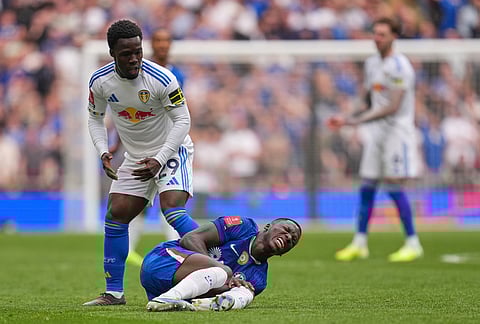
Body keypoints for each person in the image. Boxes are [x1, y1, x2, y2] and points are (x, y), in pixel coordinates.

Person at [83, 19, 198, 306]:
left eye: (138, 51)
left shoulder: (162, 78)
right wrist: (103, 151)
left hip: (171, 152)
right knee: (116, 215)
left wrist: (160, 159)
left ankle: (225, 263)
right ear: (112, 53)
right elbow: (95, 118)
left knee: (171, 209)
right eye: (126, 53)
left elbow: (183, 120)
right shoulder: (99, 81)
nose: (134, 59)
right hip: (135, 157)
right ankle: (114, 293)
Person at [327, 17, 424, 262]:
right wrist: (347, 114)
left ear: (394, 36)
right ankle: (360, 243)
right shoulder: (372, 64)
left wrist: (355, 121)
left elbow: (392, 106)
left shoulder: (400, 66)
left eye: (382, 34)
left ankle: (413, 243)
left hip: (396, 132)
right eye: (375, 33)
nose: (376, 38)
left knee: (393, 186)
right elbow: (367, 97)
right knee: (367, 186)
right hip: (376, 132)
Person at [140, 215, 302, 312]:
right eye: (286, 230)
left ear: (282, 253)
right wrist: (220, 271)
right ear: (268, 227)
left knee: (244, 291)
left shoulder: (259, 279)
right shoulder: (243, 227)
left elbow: (208, 289)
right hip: (162, 260)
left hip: (172, 287)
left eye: (292, 240)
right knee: (223, 272)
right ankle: (167, 299)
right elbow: (190, 238)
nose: (288, 237)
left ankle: (208, 306)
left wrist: (228, 289)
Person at [126, 27, 187, 267]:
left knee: (171, 198)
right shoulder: (140, 73)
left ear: (171, 44)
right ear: (152, 44)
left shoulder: (176, 75)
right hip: (142, 143)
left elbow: (181, 114)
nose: (162, 45)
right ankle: (129, 250)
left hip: (169, 145)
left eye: (166, 40)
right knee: (138, 200)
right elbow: (131, 111)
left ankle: (177, 250)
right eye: (158, 40)